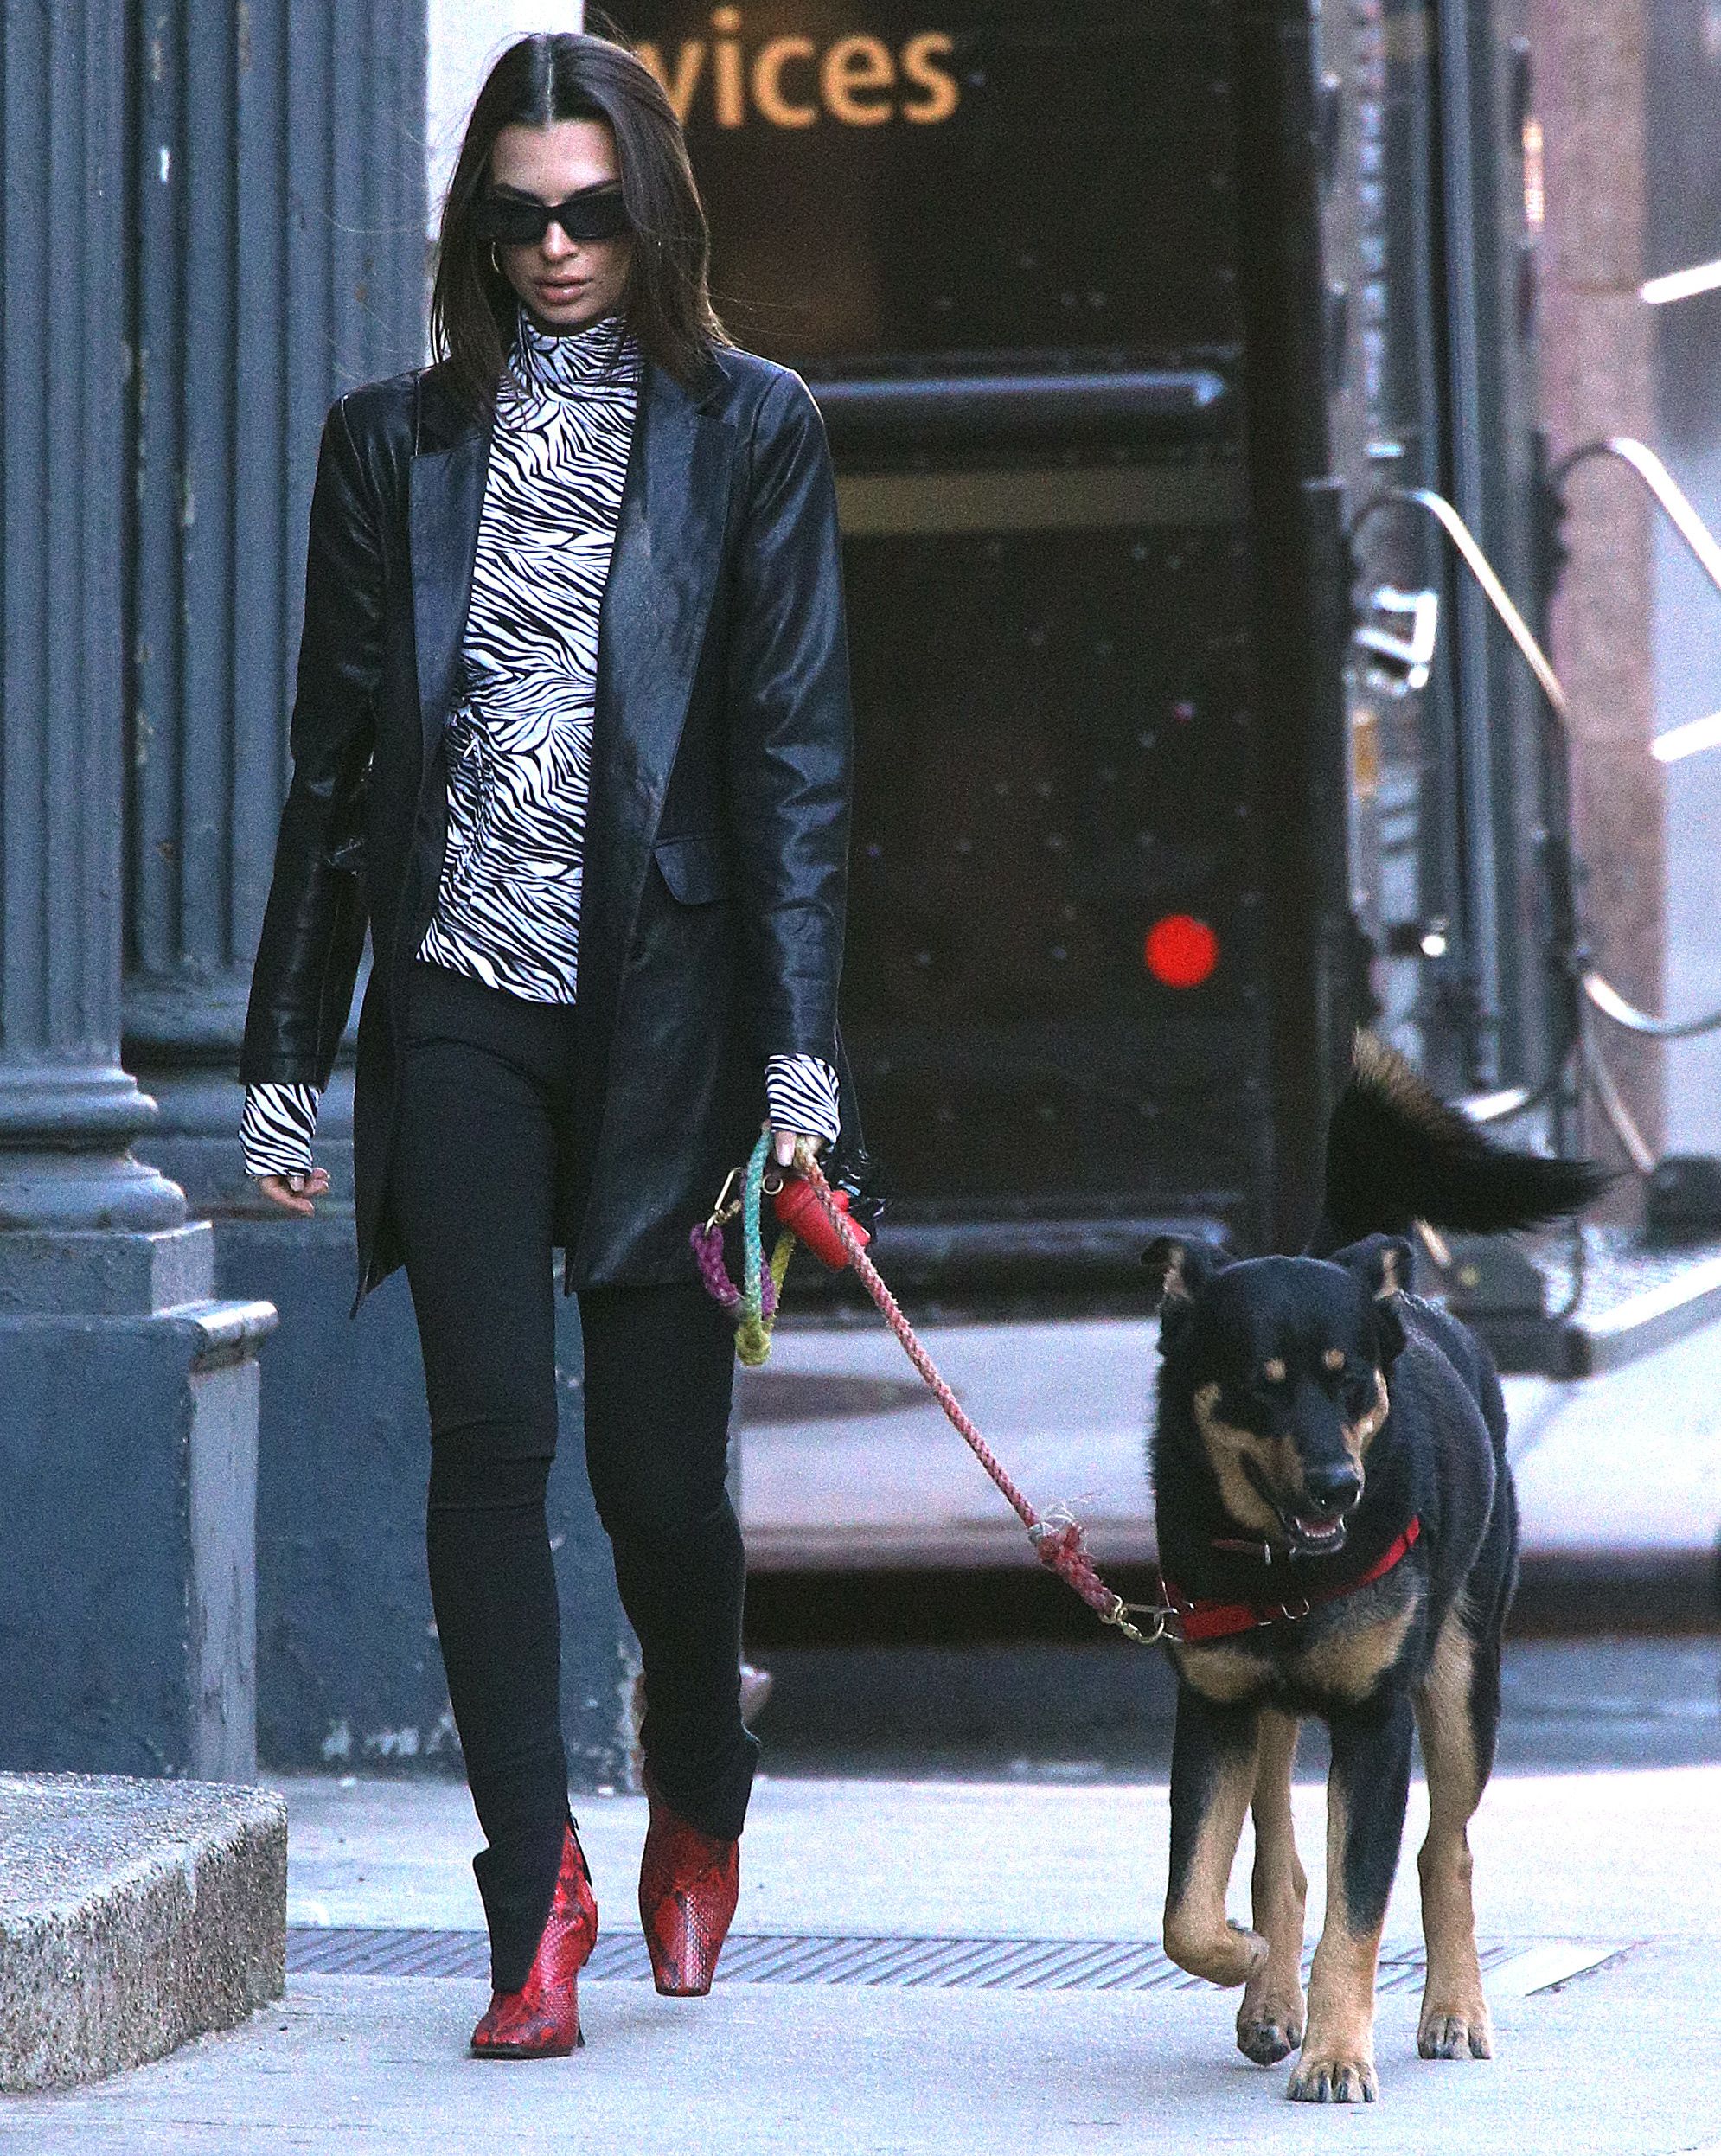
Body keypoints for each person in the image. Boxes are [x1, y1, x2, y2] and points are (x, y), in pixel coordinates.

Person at [238, 29, 854, 2058]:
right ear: (475, 230)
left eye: (593, 208)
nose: (559, 246)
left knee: (658, 1484)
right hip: (458, 1001)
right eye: (518, 217)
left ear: (651, 208)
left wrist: (797, 1068)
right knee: (487, 1445)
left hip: (671, 1027)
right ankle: (535, 1890)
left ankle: (699, 1764)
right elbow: (337, 772)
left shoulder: (749, 427)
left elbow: (787, 766)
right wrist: (281, 1051)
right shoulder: (387, 445)